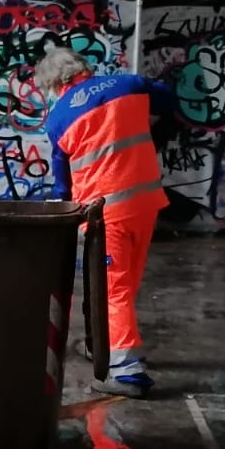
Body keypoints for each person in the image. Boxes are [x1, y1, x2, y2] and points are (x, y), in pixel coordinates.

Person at [36, 48, 174, 398]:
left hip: (104, 215)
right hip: (145, 203)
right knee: (125, 285)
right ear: (83, 69)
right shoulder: (129, 84)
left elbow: (62, 185)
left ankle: (127, 372)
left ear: (56, 83)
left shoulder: (57, 119)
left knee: (113, 290)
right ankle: (104, 346)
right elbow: (168, 100)